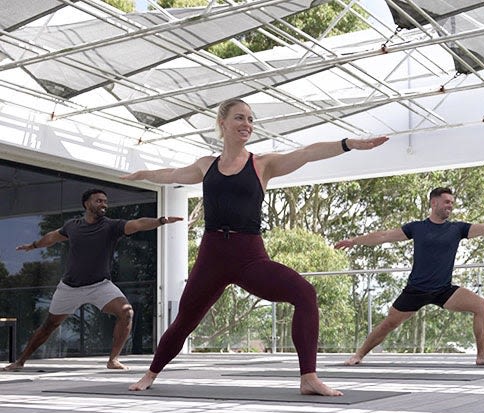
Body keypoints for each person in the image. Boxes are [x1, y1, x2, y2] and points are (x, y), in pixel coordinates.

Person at [121, 98, 388, 395]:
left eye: (250, 119)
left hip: (249, 256)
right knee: (185, 320)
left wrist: (350, 143)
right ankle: (151, 374)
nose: (247, 124)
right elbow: (171, 174)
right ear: (222, 123)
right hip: (212, 255)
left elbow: (308, 153)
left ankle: (308, 377)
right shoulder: (205, 165)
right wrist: (142, 175)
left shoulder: (262, 164)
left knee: (305, 293)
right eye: (239, 118)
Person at [334, 187, 484, 366]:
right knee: (389, 323)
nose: (450, 205)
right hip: (416, 290)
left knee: (481, 305)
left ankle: (482, 356)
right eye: (446, 202)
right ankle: (359, 355)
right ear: (434, 203)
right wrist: (354, 241)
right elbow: (383, 236)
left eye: (452, 202)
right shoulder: (417, 228)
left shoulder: (457, 228)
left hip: (444, 290)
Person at [3, 189, 182, 372]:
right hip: (69, 287)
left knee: (126, 312)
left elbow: (137, 224)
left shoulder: (112, 226)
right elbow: (52, 237)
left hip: (100, 285)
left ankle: (113, 359)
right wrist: (33, 245)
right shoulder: (72, 226)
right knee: (50, 324)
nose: (103, 204)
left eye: (105, 201)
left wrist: (161, 221)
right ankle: (20, 362)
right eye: (98, 201)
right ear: (86, 204)